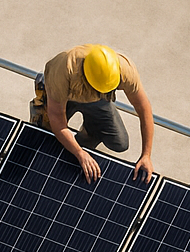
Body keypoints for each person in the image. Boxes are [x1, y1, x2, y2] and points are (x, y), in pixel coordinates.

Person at [32, 44, 155, 184]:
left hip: (97, 99)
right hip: (64, 93)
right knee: (42, 138)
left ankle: (85, 135)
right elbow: (57, 120)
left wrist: (146, 155)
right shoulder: (64, 69)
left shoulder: (124, 70)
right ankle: (44, 88)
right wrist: (80, 154)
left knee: (119, 143)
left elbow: (144, 109)